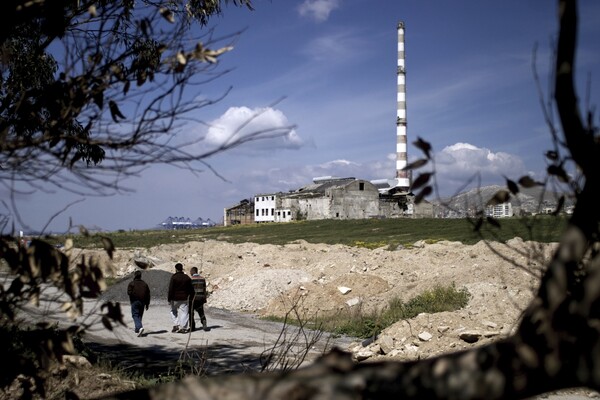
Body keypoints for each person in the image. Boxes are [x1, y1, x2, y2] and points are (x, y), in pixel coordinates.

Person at [167, 262, 194, 333]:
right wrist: (191, 296)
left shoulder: (174, 277)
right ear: (182, 269)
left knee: (173, 311)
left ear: (176, 269)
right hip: (184, 298)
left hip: (175, 298)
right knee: (184, 312)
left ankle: (176, 324)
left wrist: (169, 298)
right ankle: (184, 327)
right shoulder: (187, 277)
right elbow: (191, 288)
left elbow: (171, 288)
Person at [127, 270, 150, 337]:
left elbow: (129, 292)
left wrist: (134, 294)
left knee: (135, 315)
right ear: (140, 276)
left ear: (134, 276)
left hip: (135, 301)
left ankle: (139, 327)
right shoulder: (145, 284)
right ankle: (137, 329)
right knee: (139, 315)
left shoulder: (132, 283)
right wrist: (147, 304)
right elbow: (148, 295)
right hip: (143, 302)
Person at [189, 267, 209, 331]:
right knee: (201, 312)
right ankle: (203, 321)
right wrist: (204, 298)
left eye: (190, 271)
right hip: (201, 298)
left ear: (193, 271)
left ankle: (192, 326)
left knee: (191, 312)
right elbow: (204, 289)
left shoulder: (191, 279)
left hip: (193, 298)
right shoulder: (202, 279)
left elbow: (189, 290)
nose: (190, 273)